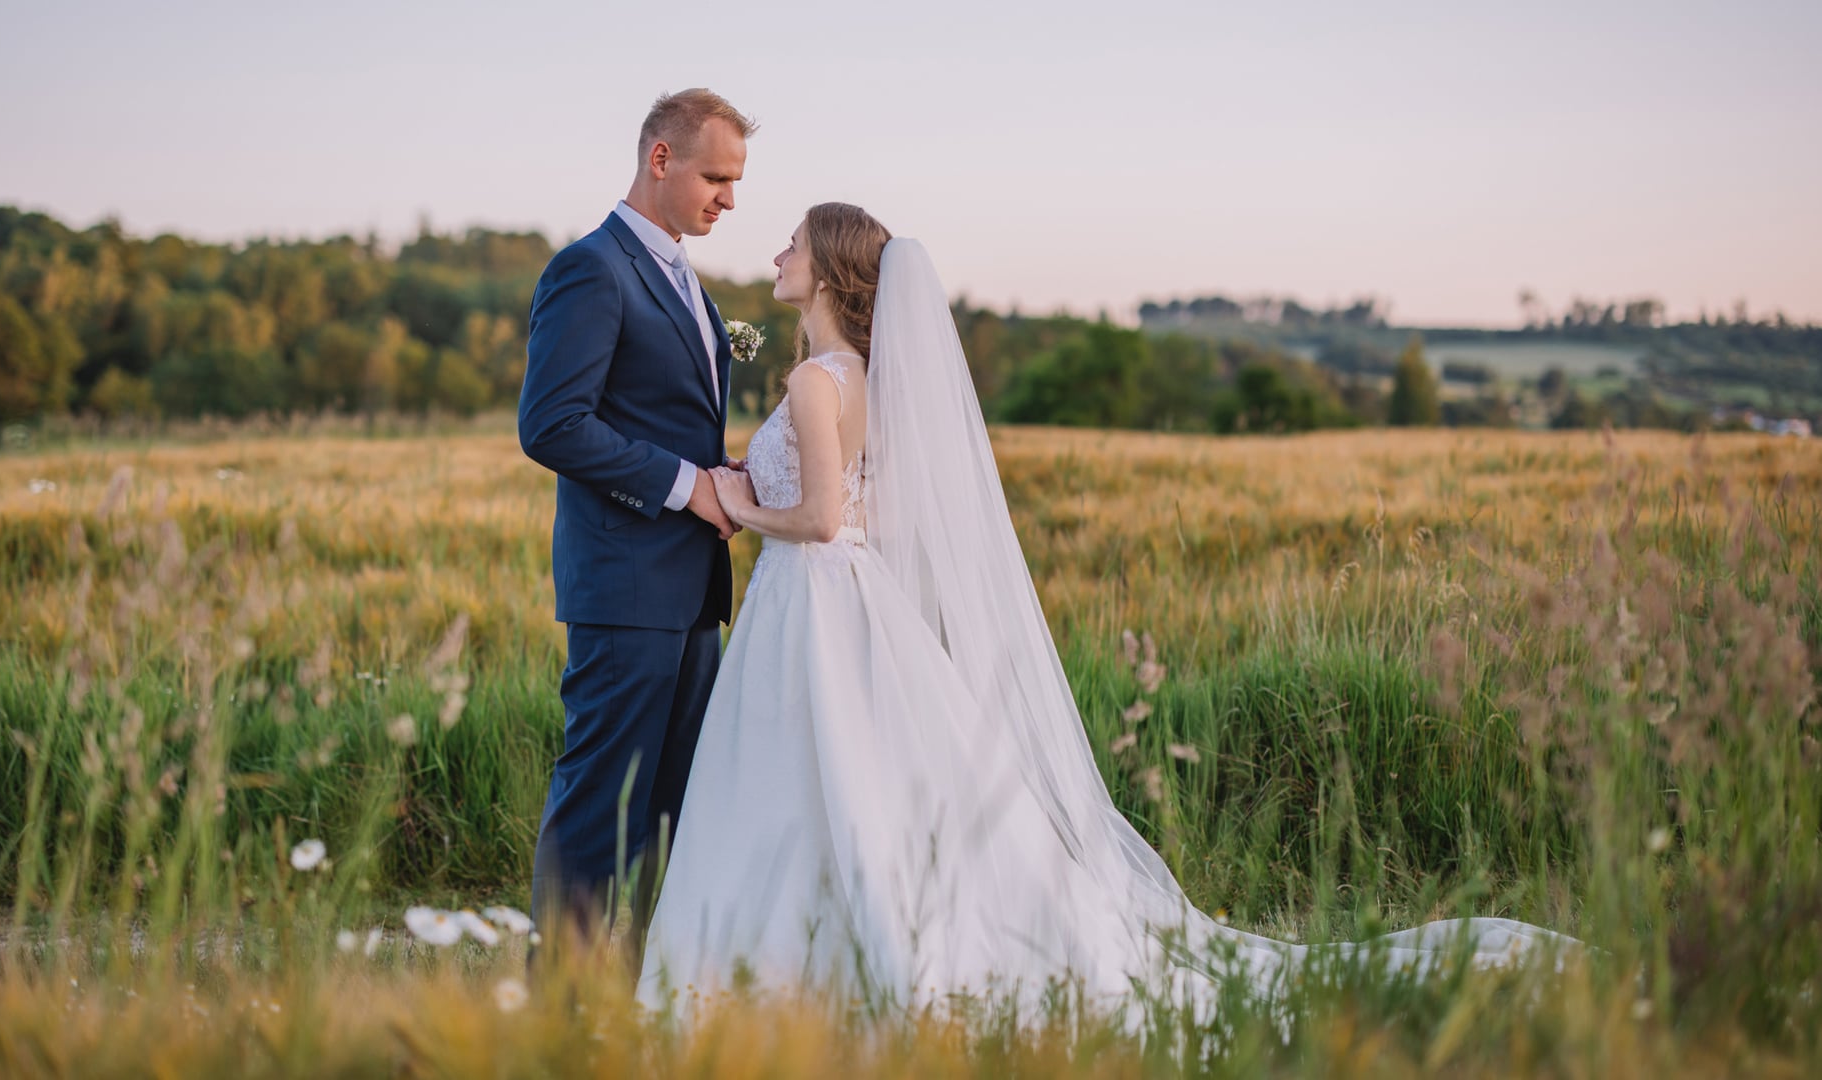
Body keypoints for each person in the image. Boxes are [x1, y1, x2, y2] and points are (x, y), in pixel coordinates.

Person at [636, 204, 1576, 1020]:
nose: (776, 256)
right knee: (862, 782)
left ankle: (783, 959)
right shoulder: (871, 383)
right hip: (856, 601)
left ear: (832, 270)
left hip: (812, 601)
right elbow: (867, 509)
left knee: (806, 780)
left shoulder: (811, 381)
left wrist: (737, 506)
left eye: (792, 243)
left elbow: (821, 518)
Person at [517, 88, 755, 960]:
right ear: (660, 159)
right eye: (715, 176)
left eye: (735, 181)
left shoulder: (683, 273)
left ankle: (647, 986)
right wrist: (684, 485)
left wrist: (721, 475)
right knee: (600, 803)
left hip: (693, 590)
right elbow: (551, 424)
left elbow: (668, 420)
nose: (728, 198)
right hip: (624, 588)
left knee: (674, 806)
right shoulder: (591, 268)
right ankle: (559, 998)